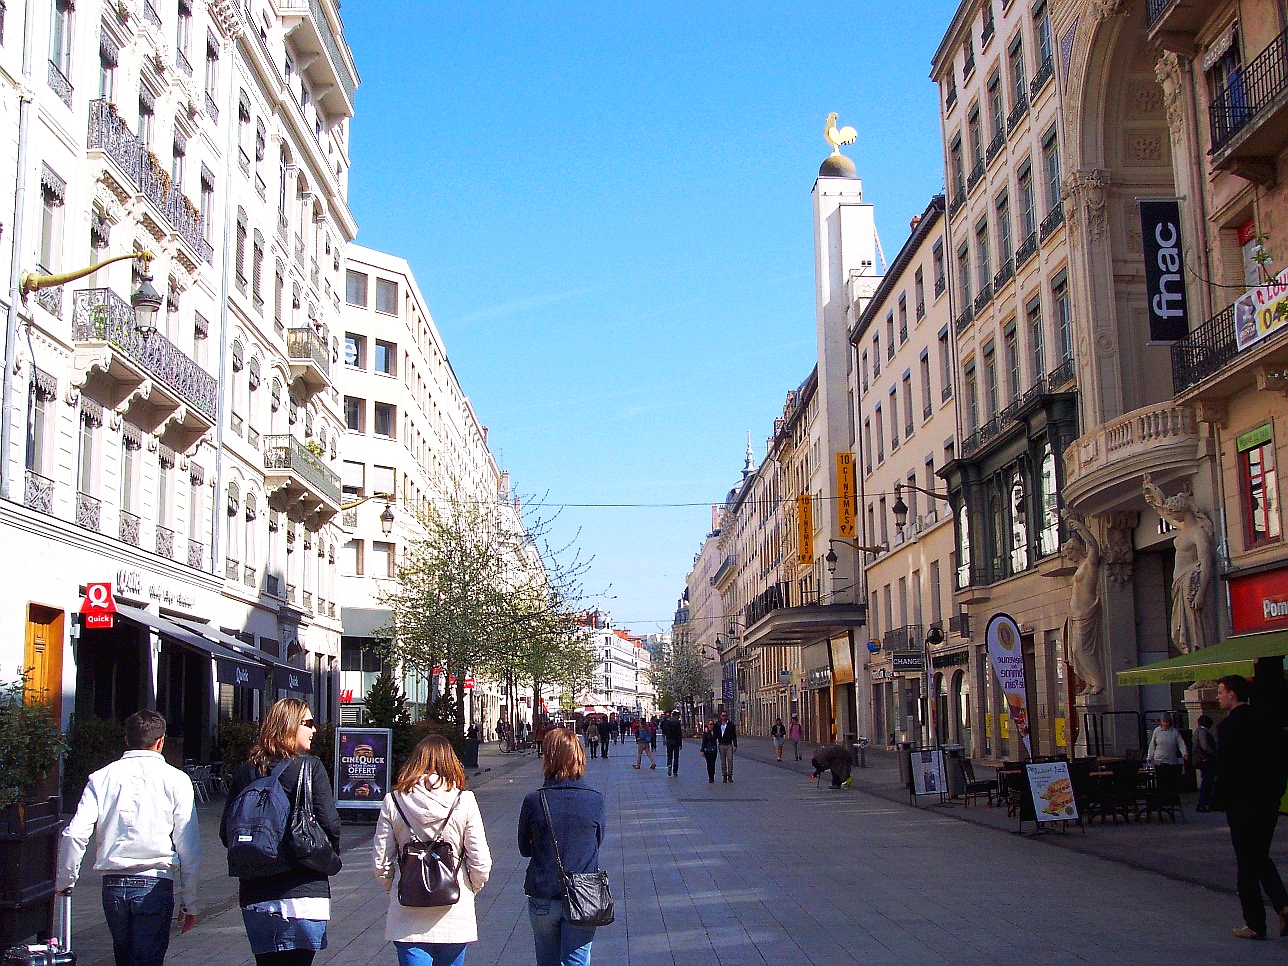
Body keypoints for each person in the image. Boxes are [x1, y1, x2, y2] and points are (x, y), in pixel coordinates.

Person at [57, 710, 200, 966]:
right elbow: (188, 845)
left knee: (124, 958)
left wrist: (65, 880)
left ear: (126, 739)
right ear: (161, 741)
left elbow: (74, 833)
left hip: (113, 883)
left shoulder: (101, 778)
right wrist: (190, 902)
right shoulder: (177, 780)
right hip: (155, 881)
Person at [221, 698, 342, 966]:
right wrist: (327, 855)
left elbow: (225, 832)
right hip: (304, 891)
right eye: (308, 723)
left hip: (256, 894)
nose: (314, 730)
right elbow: (331, 824)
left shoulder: (247, 770)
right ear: (289, 726)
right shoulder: (310, 768)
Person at [373, 735, 493, 966]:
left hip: (408, 916)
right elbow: (480, 861)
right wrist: (469, 889)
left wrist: (396, 887)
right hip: (454, 913)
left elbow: (381, 862)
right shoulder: (464, 800)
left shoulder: (393, 801)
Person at [518, 728, 607, 966]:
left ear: (547, 758)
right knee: (576, 961)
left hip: (543, 894)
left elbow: (524, 849)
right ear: (578, 756)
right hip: (584, 894)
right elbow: (597, 842)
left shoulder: (534, 800)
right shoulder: (595, 799)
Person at [1215, 675, 1288, 940]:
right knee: (1259, 856)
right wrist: (1276, 793)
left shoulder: (1228, 727)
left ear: (1233, 694)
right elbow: (1282, 760)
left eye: (1221, 692)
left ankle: (1255, 923)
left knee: (1247, 863)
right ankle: (1282, 906)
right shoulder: (1268, 722)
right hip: (1267, 802)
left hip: (1241, 803)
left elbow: (1225, 768)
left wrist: (1223, 798)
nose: (1218, 697)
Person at [1145, 712, 1189, 795]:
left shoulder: (1174, 732)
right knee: (1161, 781)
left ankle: (1170, 798)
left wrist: (1185, 753)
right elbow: (1152, 745)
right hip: (1159, 760)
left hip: (1171, 760)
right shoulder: (1157, 731)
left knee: (1170, 782)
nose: (1165, 724)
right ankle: (1162, 798)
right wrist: (1149, 757)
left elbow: (1181, 743)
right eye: (1163, 721)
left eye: (1167, 722)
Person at [1193, 714, 1218, 812]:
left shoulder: (1199, 731)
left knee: (1207, 781)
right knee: (1207, 782)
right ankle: (1203, 803)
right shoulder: (1203, 731)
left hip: (1204, 759)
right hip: (1206, 760)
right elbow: (1205, 746)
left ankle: (1205, 802)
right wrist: (1214, 753)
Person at [715, 710, 738, 783]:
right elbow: (715, 734)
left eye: (725, 715)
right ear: (720, 716)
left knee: (730, 760)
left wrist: (735, 745)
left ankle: (730, 775)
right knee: (723, 761)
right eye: (723, 716)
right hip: (721, 745)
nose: (724, 717)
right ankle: (724, 776)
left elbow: (734, 735)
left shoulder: (731, 724)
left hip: (729, 745)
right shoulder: (718, 724)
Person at [660, 709, 684, 777]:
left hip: (669, 740)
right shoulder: (677, 722)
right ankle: (675, 772)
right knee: (676, 757)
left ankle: (669, 764)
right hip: (676, 741)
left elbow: (663, 729)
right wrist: (680, 744)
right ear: (677, 715)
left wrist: (667, 734)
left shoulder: (667, 721)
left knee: (669, 755)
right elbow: (679, 734)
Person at [699, 719, 719, 784]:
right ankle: (710, 777)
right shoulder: (706, 733)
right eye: (710, 724)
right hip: (707, 750)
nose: (711, 726)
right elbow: (703, 742)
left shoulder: (715, 732)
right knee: (709, 763)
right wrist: (702, 750)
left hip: (714, 750)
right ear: (708, 725)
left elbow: (718, 726)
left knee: (713, 764)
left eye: (713, 724)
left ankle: (712, 776)